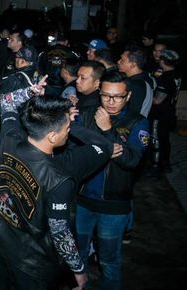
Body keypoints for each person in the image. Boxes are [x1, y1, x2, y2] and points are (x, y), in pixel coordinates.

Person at [0, 81, 113, 290]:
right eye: (66, 129)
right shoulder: (59, 177)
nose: (68, 131)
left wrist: (30, 92)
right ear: (53, 136)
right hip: (33, 268)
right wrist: (79, 270)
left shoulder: (10, 138)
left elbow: (6, 101)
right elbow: (60, 231)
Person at [76, 70, 150, 290]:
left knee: (109, 260)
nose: (111, 101)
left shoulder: (138, 122)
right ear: (99, 93)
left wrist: (108, 130)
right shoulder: (87, 114)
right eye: (106, 95)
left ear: (128, 96)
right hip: (82, 202)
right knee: (75, 258)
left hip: (114, 206)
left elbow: (132, 160)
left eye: (117, 96)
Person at [150, 49, 180, 173]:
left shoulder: (166, 78)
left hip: (160, 114)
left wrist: (146, 95)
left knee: (156, 140)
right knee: (165, 140)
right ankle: (166, 164)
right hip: (170, 112)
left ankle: (155, 167)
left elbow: (157, 101)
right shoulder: (176, 74)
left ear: (162, 61)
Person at [118, 45, 153, 117]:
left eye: (122, 60)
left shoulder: (137, 85)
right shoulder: (144, 78)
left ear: (133, 64)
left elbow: (132, 114)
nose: (118, 62)